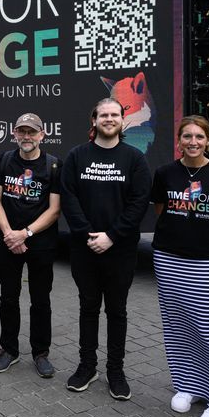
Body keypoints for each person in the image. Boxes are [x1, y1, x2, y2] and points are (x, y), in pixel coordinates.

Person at [150, 116, 209, 417]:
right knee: (177, 326)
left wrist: (203, 236)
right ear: (179, 139)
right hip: (168, 258)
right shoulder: (165, 173)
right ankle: (188, 384)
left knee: (207, 328)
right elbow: (161, 210)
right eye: (186, 136)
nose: (192, 141)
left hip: (207, 263)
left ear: (208, 140)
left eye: (199, 136)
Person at [60, 98, 150, 400]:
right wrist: (88, 234)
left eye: (115, 115)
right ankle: (87, 366)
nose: (109, 119)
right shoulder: (76, 156)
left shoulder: (134, 159)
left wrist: (111, 236)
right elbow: (68, 197)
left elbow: (138, 204)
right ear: (94, 120)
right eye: (104, 115)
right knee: (88, 307)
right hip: (84, 248)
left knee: (117, 310)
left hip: (120, 249)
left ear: (123, 121)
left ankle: (116, 371)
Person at [0, 113, 62, 378]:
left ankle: (40, 353)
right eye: (22, 131)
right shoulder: (4, 160)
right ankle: (9, 350)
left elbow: (55, 210)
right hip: (8, 241)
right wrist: (10, 234)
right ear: (14, 134)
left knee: (40, 299)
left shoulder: (53, 165)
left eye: (32, 132)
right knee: (8, 297)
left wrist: (25, 234)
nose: (27, 137)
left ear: (42, 135)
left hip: (40, 243)